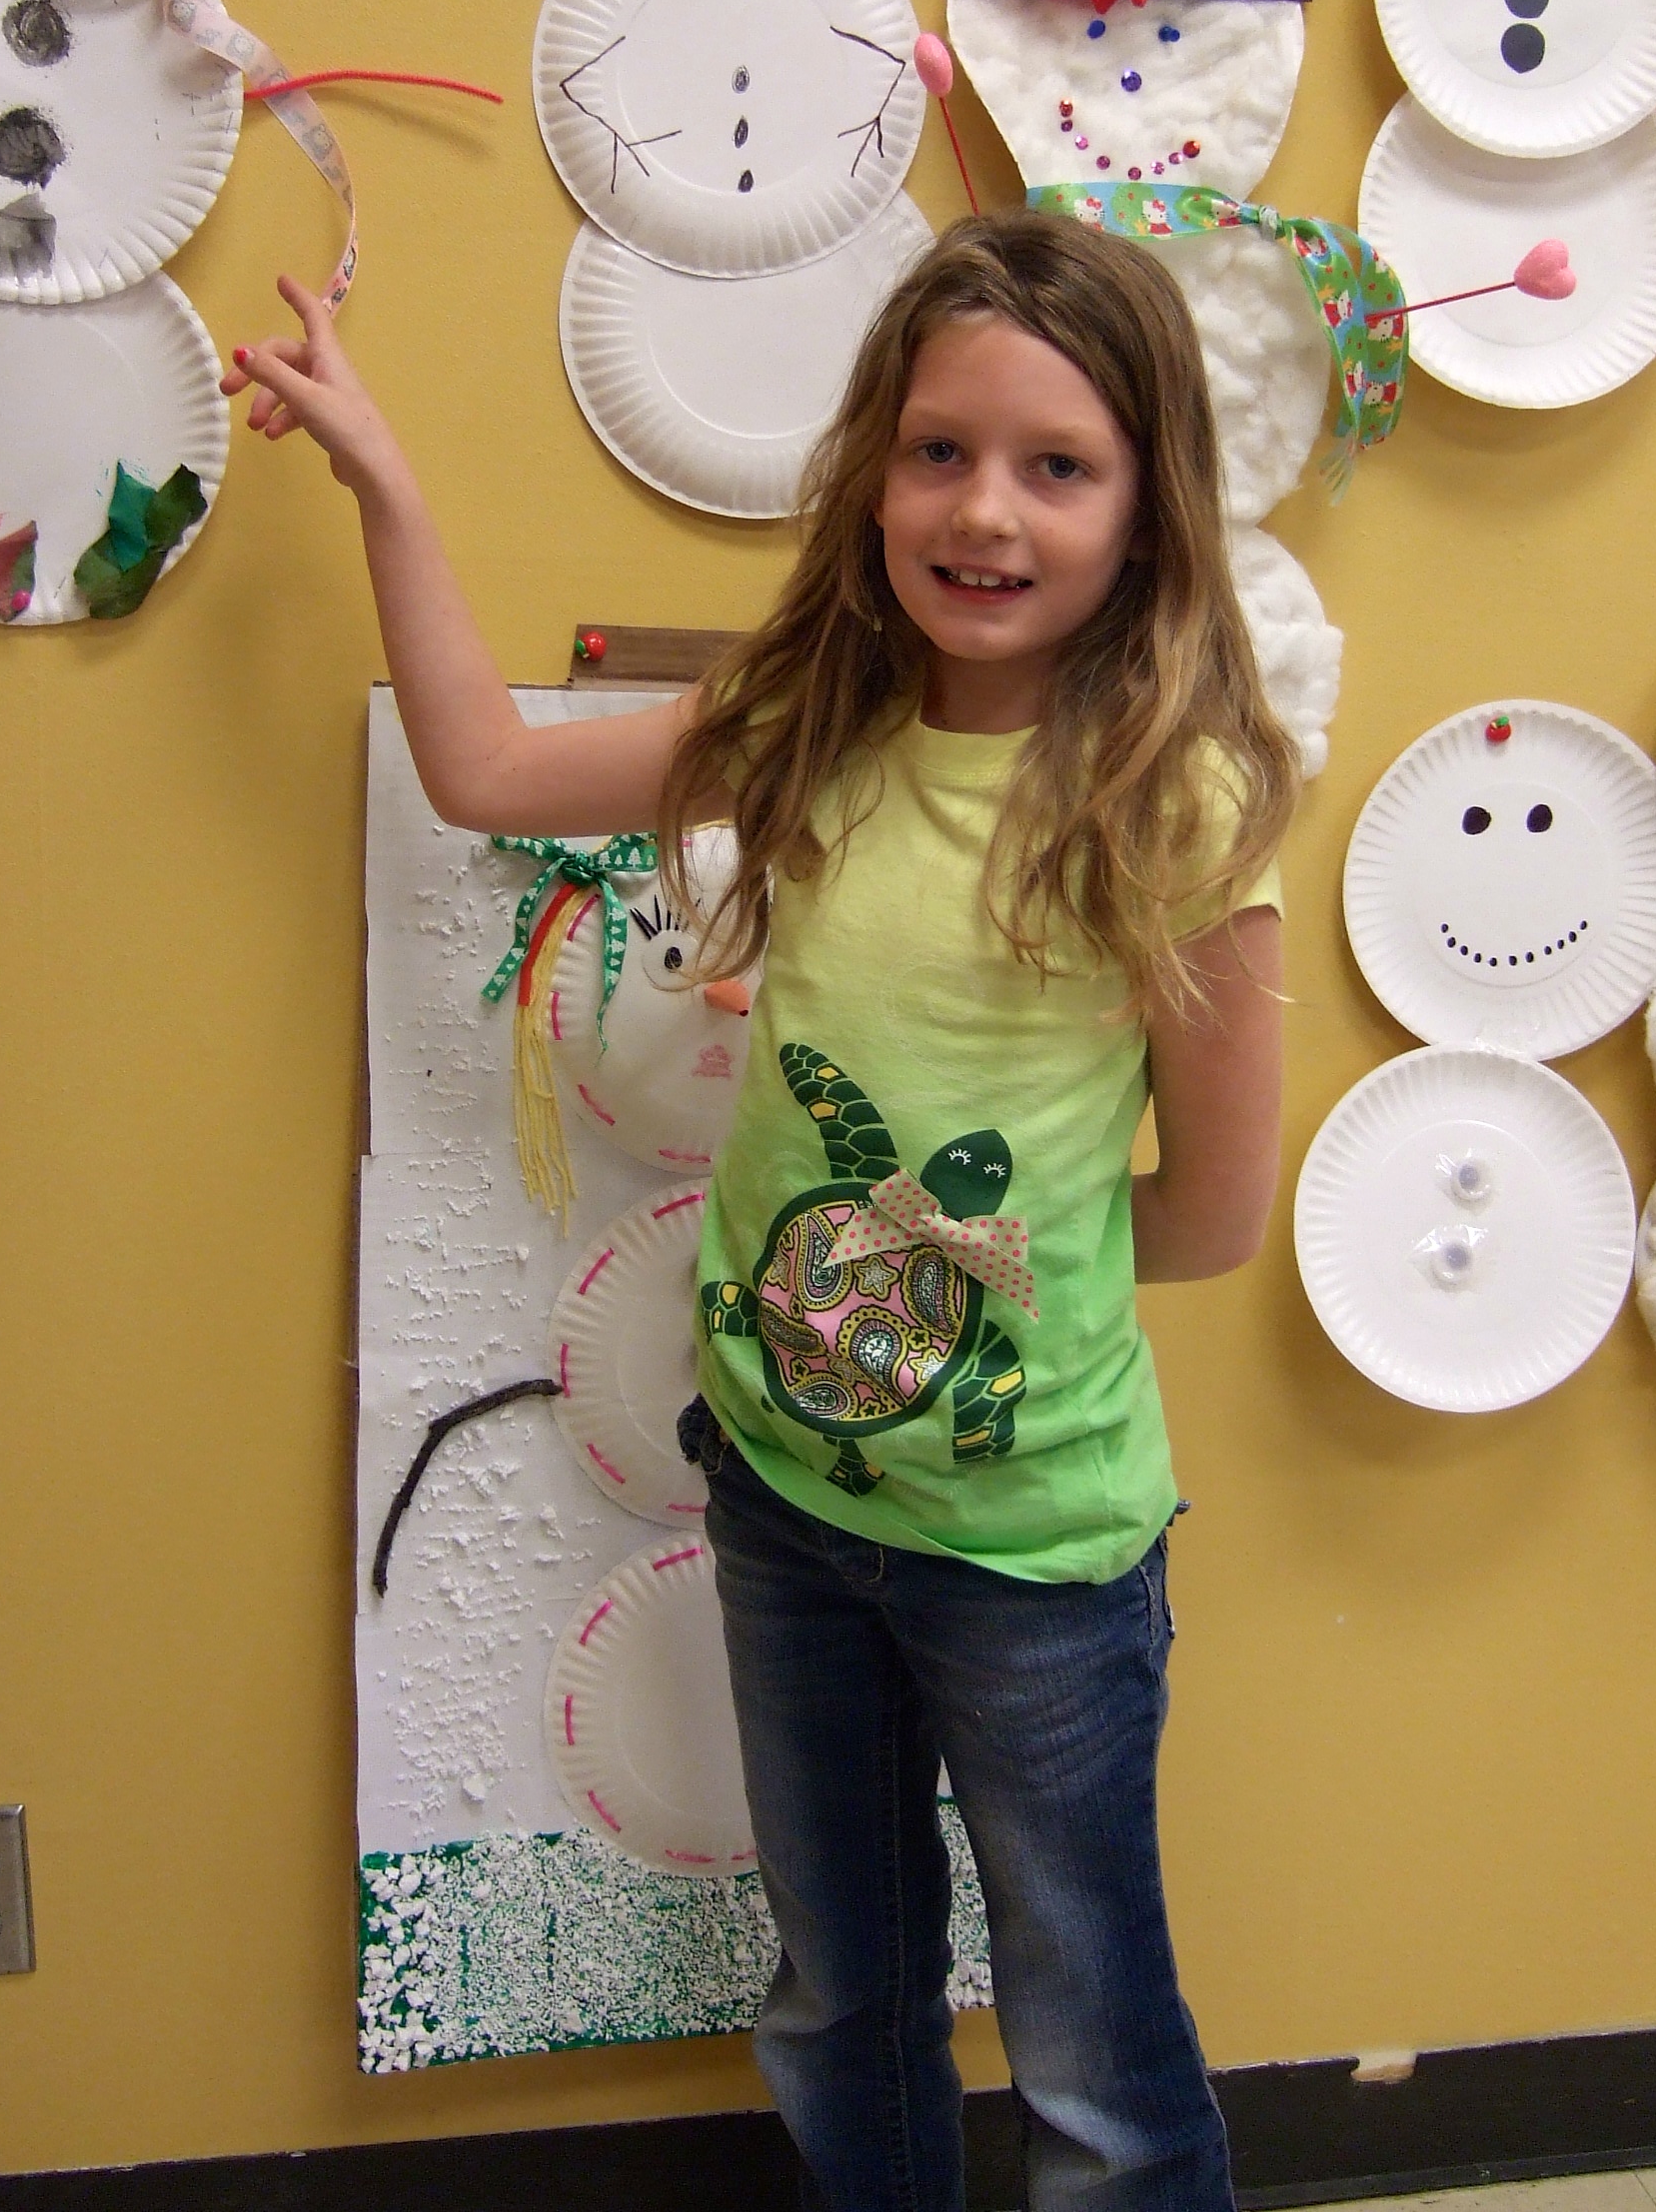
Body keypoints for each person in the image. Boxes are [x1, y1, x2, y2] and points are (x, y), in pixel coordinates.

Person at [225, 210, 1294, 2212]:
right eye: (938, 449)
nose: (984, 509)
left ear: (1148, 508)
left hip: (1034, 1558)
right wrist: (385, 483)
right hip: (788, 1504)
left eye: (1057, 465)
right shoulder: (807, 735)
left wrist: (967, 1277)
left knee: (1093, 2063)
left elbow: (1215, 1215)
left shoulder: (1175, 805)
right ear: (874, 469)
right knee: (837, 2002)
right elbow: (483, 769)